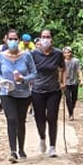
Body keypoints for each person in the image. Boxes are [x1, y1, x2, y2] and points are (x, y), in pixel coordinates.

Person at [0, 29, 37, 162]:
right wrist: (2, 80)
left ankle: (21, 148)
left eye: (15, 39)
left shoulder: (26, 55)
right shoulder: (0, 56)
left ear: (19, 41)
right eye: (10, 39)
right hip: (7, 93)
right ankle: (13, 151)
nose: (13, 41)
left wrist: (23, 79)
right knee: (11, 119)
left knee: (20, 120)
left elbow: (34, 73)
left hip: (23, 93)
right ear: (6, 40)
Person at [29, 28, 65, 157]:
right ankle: (42, 138)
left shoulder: (58, 53)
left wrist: (62, 82)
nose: (45, 39)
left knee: (52, 117)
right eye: (43, 37)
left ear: (52, 39)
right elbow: (29, 69)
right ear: (39, 39)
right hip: (37, 90)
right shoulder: (33, 54)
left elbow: (62, 68)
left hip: (53, 90)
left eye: (48, 37)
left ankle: (52, 146)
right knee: (39, 118)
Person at [63, 46, 83, 120]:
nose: (67, 54)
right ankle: (71, 114)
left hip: (74, 82)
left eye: (68, 52)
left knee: (74, 98)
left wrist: (81, 80)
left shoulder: (75, 61)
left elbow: (79, 70)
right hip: (66, 83)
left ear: (71, 53)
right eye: (65, 53)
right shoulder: (62, 62)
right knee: (68, 98)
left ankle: (71, 109)